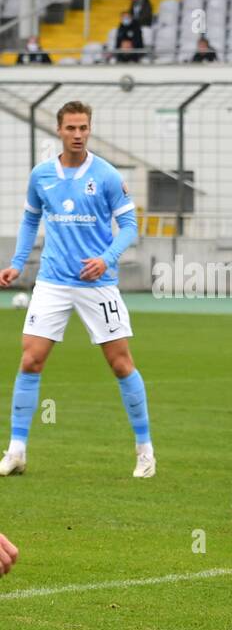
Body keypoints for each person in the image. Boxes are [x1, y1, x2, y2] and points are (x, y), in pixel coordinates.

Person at [0, 101, 152, 479]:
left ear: (90, 129)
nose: (79, 134)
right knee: (30, 360)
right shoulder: (41, 176)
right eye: (71, 128)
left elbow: (131, 226)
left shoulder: (106, 176)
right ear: (59, 130)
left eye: (84, 127)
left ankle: (145, 450)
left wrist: (106, 258)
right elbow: (30, 219)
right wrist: (18, 263)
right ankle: (16, 451)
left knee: (120, 364)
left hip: (96, 283)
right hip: (52, 281)